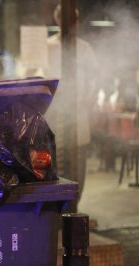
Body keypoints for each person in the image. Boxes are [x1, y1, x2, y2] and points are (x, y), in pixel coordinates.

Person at [44, 4, 99, 206]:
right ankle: (56, 208)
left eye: (72, 20)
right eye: (64, 19)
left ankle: (74, 205)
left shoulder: (84, 48)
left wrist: (89, 100)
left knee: (78, 161)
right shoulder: (48, 46)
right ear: (57, 19)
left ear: (77, 22)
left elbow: (96, 79)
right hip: (53, 114)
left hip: (77, 113)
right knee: (54, 161)